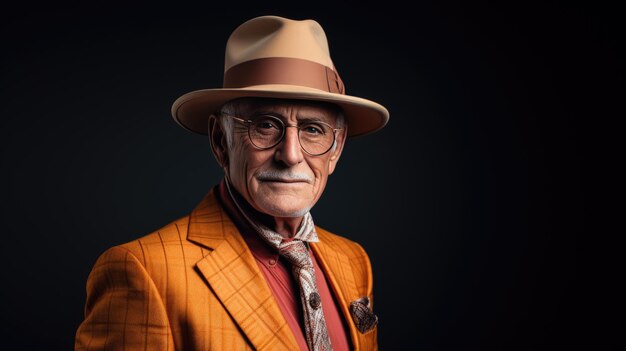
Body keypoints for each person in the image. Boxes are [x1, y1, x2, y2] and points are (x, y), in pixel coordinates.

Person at [75, 15, 388, 351]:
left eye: (313, 130)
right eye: (266, 125)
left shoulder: (352, 259)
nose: (291, 155)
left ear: (336, 149)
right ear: (220, 141)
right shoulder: (143, 271)